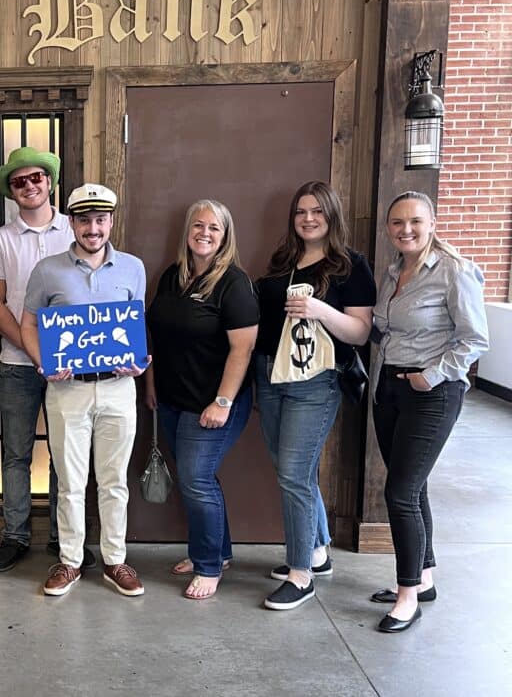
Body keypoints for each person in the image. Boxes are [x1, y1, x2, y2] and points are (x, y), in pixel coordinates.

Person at [21, 183, 148, 598]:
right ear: (72, 223)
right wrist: (44, 361)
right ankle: (70, 561)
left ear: (111, 221)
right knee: (70, 482)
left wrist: (138, 361)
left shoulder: (133, 267)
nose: (93, 228)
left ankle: (115, 561)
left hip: (118, 388)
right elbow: (28, 324)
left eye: (100, 219)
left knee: (114, 482)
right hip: (67, 390)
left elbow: (136, 327)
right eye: (84, 220)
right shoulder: (47, 269)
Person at [369, 191, 488, 633]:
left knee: (399, 494)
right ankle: (424, 578)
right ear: (388, 228)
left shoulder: (455, 271)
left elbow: (475, 339)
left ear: (432, 222)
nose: (406, 230)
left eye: (415, 221)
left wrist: (431, 375)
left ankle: (406, 597)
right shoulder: (394, 270)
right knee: (413, 489)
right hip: (390, 388)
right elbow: (384, 328)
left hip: (432, 393)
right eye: (397, 223)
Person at [254, 180, 375, 610]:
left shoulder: (350, 266)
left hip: (316, 379)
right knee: (291, 470)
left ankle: (301, 573)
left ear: (331, 216)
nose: (308, 218)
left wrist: (320, 310)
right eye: (301, 211)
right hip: (268, 373)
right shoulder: (283, 259)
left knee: (292, 472)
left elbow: (360, 332)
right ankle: (318, 551)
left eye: (317, 211)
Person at [0, 146, 95, 573]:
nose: (29, 185)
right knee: (15, 453)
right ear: (10, 191)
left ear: (50, 181)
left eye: (36, 178)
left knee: (66, 453)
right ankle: (15, 535)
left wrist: (61, 353)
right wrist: (35, 350)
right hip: (17, 363)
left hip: (72, 365)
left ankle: (64, 537)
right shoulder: (1, 241)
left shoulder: (78, 229)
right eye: (19, 181)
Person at [144, 199, 258, 599]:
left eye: (214, 228)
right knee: (200, 480)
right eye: (198, 225)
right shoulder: (172, 276)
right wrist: (152, 382)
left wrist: (223, 402)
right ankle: (216, 552)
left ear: (225, 236)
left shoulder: (234, 283)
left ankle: (209, 567)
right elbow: (156, 335)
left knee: (195, 481)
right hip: (174, 400)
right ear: (187, 231)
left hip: (212, 403)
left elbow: (242, 350)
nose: (204, 233)